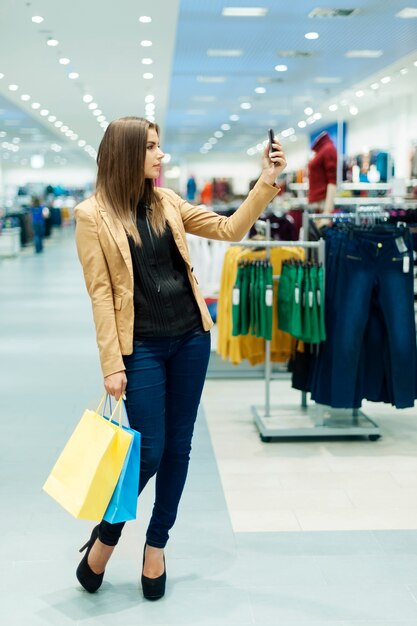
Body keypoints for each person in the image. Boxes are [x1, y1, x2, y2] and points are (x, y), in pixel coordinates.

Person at [74, 116, 286, 600]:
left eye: (159, 146)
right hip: (141, 347)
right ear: (128, 153)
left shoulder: (166, 201)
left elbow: (229, 229)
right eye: (151, 147)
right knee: (149, 450)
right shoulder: (91, 216)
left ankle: (156, 544)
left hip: (191, 339)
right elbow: (101, 295)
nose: (160, 155)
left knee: (180, 447)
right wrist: (112, 363)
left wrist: (266, 181)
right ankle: (107, 535)